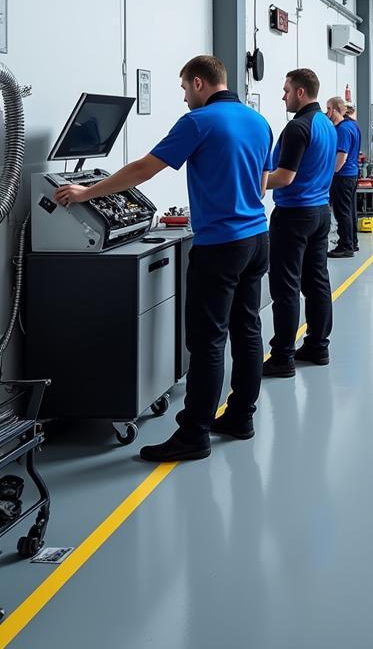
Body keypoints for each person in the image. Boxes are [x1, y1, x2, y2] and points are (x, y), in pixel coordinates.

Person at [54, 55, 273, 462]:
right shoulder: (258, 122)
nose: (185, 97)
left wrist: (86, 193)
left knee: (207, 341)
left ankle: (194, 434)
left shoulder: (199, 122)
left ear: (198, 83)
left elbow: (143, 170)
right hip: (257, 237)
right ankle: (240, 416)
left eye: (184, 88)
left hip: (221, 245)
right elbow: (260, 186)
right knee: (247, 331)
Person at [263, 69, 338, 377]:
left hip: (294, 215)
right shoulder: (327, 124)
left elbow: (285, 177)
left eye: (286, 90)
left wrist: (249, 181)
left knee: (286, 287)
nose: (283, 96)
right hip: (320, 212)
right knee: (317, 281)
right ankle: (318, 347)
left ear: (301, 93)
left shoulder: (298, 127)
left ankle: (282, 356)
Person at [326, 97, 360, 259]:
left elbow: (342, 156)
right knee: (350, 210)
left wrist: (330, 173)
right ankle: (352, 241)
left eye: (328, 109)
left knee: (342, 211)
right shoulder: (353, 125)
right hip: (352, 174)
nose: (327, 113)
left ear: (334, 110)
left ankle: (345, 245)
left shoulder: (343, 129)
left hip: (343, 175)